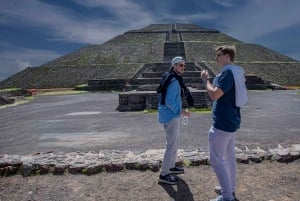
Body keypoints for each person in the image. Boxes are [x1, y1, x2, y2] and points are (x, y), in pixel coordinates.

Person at [201, 45, 248, 201]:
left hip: (222, 123)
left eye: (219, 55)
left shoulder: (227, 72)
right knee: (229, 157)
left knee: (216, 160)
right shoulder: (237, 71)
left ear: (227, 56)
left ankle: (227, 196)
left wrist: (205, 81)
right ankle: (229, 188)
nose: (217, 58)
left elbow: (215, 94)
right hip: (232, 121)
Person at [157, 56, 194, 185]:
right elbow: (169, 101)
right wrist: (181, 111)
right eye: (180, 65)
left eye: (184, 65)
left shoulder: (172, 77)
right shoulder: (174, 81)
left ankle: (171, 166)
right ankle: (164, 174)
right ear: (174, 66)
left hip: (171, 114)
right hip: (171, 115)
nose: (183, 67)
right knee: (171, 144)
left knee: (174, 142)